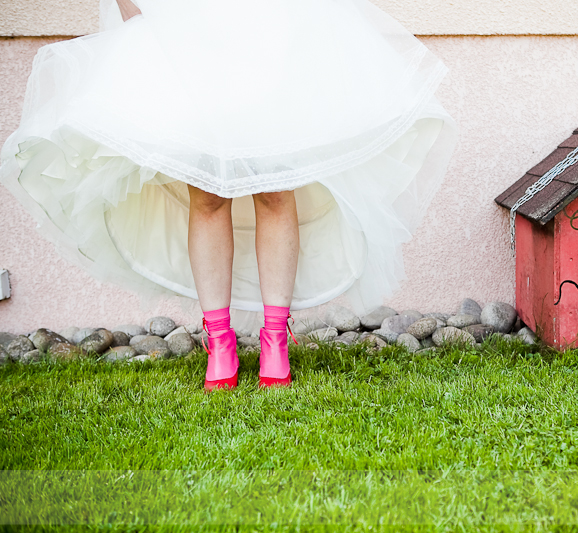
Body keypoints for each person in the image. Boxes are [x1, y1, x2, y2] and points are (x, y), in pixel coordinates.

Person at [0, 0, 457, 390]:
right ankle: (239, 345)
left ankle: (255, 345)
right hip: (204, 21)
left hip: (251, 19)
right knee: (226, 187)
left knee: (265, 185)